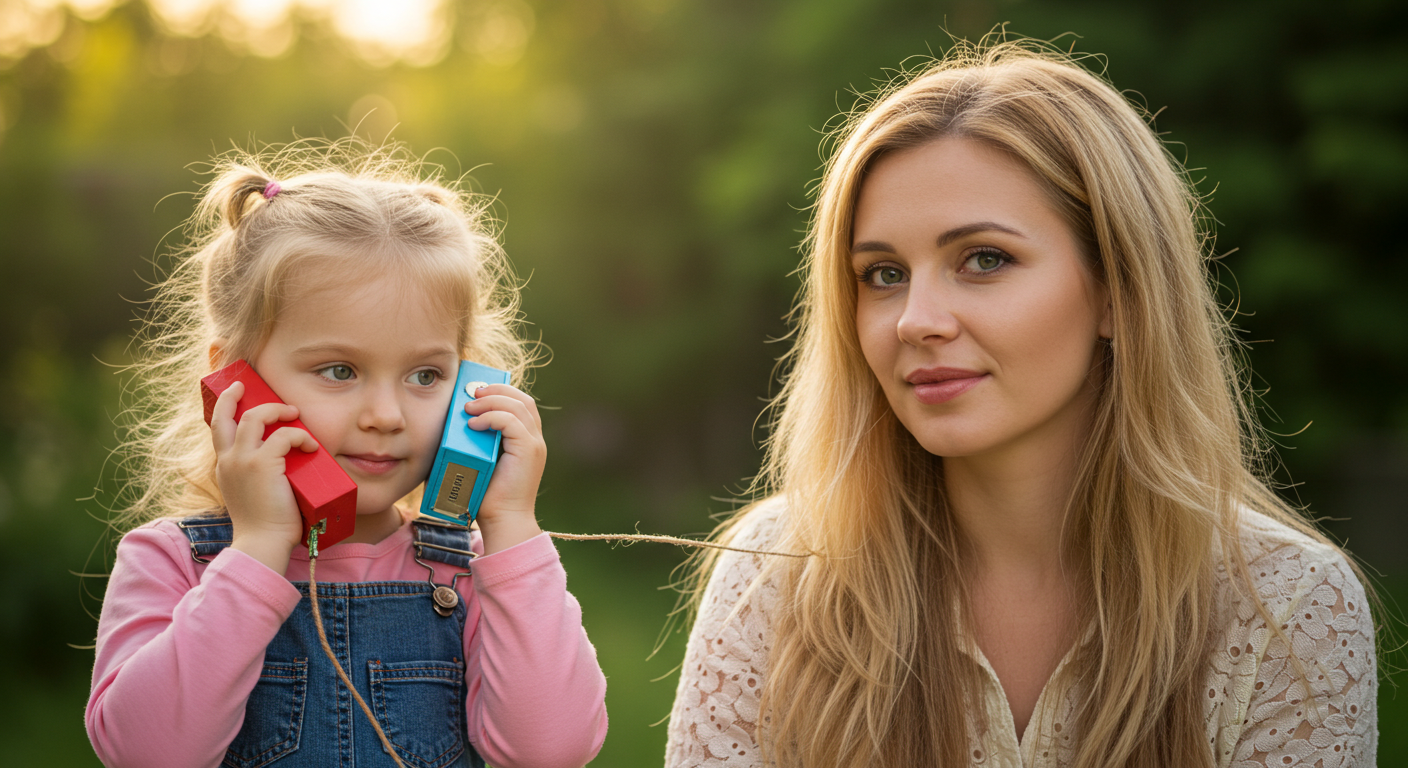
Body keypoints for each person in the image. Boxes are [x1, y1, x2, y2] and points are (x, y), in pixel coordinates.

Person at [666, 40, 1378, 768]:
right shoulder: (775, 578)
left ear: (1118, 290)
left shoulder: (1287, 608)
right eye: (882, 273)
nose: (915, 320)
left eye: (984, 259)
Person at [86, 142, 607, 768]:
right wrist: (258, 547)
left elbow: (552, 750)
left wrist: (512, 525)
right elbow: (146, 754)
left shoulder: (466, 573)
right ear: (235, 383)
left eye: (424, 375)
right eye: (339, 370)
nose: (386, 415)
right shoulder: (175, 562)